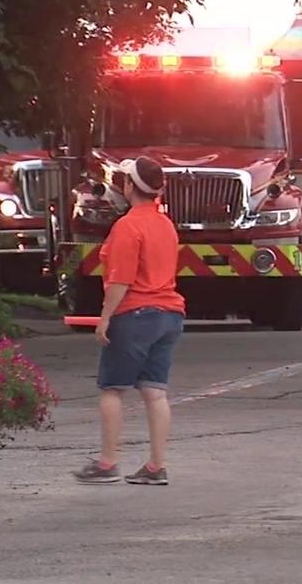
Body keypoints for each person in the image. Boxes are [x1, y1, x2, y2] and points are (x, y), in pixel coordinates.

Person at [72, 156, 185, 486]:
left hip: (135, 314)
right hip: (169, 315)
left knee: (112, 389)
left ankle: (107, 463)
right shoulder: (166, 224)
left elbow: (120, 280)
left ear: (129, 186)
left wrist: (105, 318)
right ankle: (156, 466)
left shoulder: (127, 226)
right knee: (155, 392)